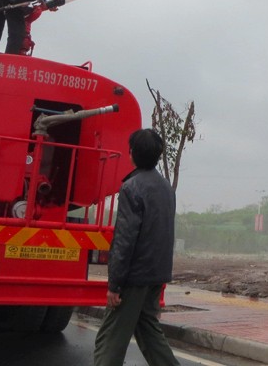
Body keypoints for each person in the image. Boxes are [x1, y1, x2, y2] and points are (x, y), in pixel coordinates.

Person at [93, 129, 180, 366]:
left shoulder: (131, 188)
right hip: (156, 274)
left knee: (110, 339)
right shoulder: (166, 189)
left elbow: (125, 239)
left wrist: (115, 285)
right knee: (149, 333)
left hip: (134, 277)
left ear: (132, 153)